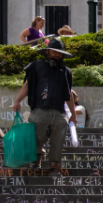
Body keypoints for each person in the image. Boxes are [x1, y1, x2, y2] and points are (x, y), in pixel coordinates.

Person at [11, 37, 73, 174]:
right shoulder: (36, 66)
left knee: (58, 140)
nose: (57, 55)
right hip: (39, 108)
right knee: (36, 137)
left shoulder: (66, 71)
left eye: (59, 53)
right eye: (54, 52)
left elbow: (69, 94)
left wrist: (73, 115)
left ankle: (54, 166)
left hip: (59, 111)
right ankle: (36, 160)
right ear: (48, 51)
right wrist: (17, 101)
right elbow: (27, 85)